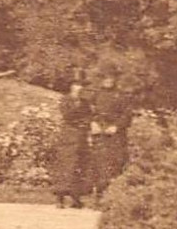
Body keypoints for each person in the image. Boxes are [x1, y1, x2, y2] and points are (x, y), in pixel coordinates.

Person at [86, 68, 134, 200]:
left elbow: (127, 115)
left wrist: (116, 126)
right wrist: (92, 123)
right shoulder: (95, 95)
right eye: (105, 78)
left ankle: (112, 196)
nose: (108, 81)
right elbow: (88, 112)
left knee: (114, 163)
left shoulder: (122, 96)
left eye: (111, 78)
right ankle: (98, 196)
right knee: (98, 163)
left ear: (115, 80)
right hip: (99, 133)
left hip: (114, 135)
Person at [51, 70, 93, 208]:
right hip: (68, 136)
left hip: (81, 137)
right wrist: (76, 103)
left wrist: (85, 124)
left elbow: (89, 117)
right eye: (76, 84)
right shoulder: (66, 100)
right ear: (71, 86)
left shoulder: (85, 102)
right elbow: (67, 115)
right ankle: (60, 198)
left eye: (81, 85)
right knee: (65, 165)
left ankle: (76, 197)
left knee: (79, 166)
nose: (78, 87)